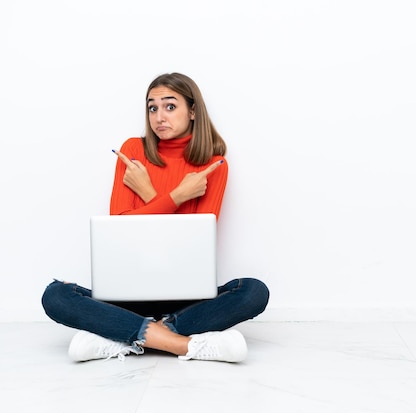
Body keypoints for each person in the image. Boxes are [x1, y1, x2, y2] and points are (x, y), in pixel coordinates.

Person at [41, 73, 269, 363]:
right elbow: (122, 229)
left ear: (193, 111)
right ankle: (183, 344)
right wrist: (177, 196)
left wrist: (149, 193)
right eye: (152, 107)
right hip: (126, 295)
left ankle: (122, 336)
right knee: (55, 295)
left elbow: (193, 244)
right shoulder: (133, 152)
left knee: (253, 292)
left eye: (170, 106)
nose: (159, 116)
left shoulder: (213, 163)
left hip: (189, 298)